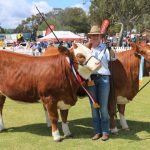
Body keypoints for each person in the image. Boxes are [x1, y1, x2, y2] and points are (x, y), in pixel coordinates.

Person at [87, 25, 116, 141]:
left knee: (103, 107)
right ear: (90, 37)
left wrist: (110, 48)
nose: (94, 37)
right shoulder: (87, 50)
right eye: (92, 35)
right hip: (91, 80)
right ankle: (97, 132)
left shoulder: (105, 48)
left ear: (100, 36)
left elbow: (114, 58)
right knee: (94, 107)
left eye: (96, 35)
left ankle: (105, 132)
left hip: (104, 79)